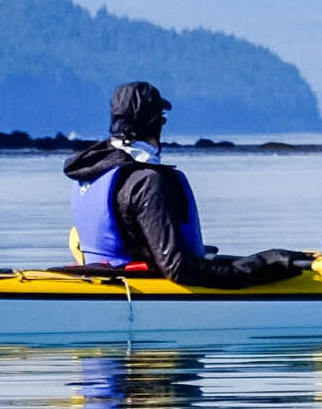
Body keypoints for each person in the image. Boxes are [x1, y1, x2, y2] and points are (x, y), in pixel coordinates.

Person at [62, 82, 307, 289]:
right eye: (162, 120)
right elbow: (179, 270)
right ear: (154, 123)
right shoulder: (146, 181)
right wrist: (264, 265)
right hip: (140, 284)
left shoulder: (93, 171)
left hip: (105, 274)